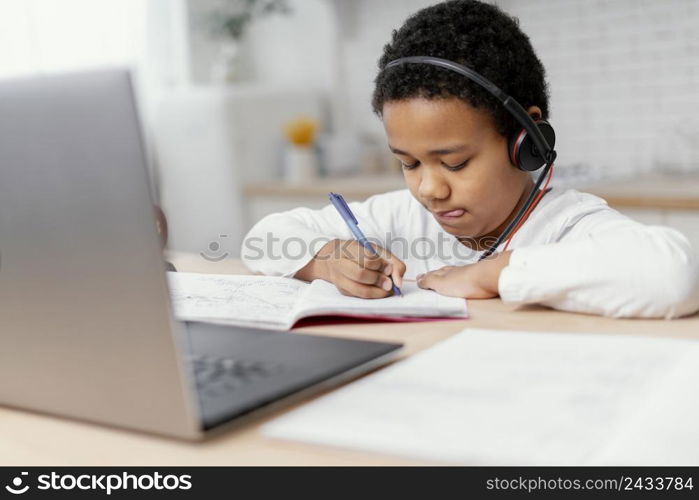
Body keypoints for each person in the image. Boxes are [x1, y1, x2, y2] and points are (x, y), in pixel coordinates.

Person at [241, 0, 699, 318]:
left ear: (526, 140)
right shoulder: (398, 217)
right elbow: (262, 239)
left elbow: (674, 275)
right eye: (410, 163)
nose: (429, 190)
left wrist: (494, 274)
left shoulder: (567, 225)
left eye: (455, 163)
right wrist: (326, 257)